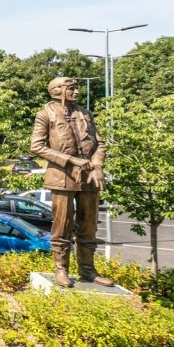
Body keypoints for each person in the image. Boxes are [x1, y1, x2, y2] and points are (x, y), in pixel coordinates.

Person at [30, 77, 114, 289]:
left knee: (89, 224)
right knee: (62, 225)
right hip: (62, 177)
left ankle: (87, 269)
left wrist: (98, 167)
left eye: (77, 88)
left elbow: (100, 144)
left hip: (89, 177)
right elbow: (37, 147)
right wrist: (70, 160)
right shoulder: (45, 114)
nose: (76, 92)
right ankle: (61, 269)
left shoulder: (85, 113)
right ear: (56, 91)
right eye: (72, 88)